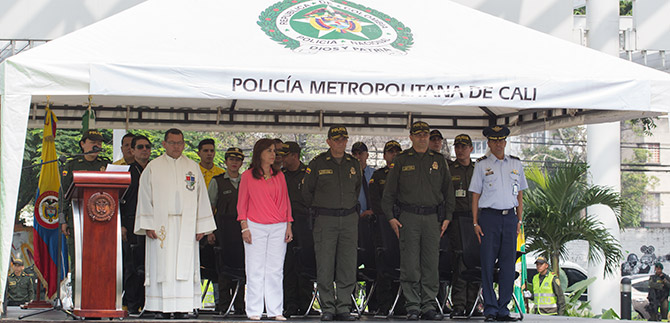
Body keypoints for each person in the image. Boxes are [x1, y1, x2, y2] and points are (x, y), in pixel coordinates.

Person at [134, 128, 216, 319]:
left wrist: (201, 226)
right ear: (164, 144)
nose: (176, 147)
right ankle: (161, 307)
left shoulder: (192, 167)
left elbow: (201, 197)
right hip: (161, 226)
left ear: (184, 144)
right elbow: (144, 196)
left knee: (185, 265)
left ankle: (183, 307)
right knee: (163, 266)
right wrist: (148, 223)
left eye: (180, 143)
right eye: (172, 143)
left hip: (186, 225)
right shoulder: (153, 167)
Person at [382, 121, 454, 321]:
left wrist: (448, 216)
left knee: (431, 263)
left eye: (425, 135)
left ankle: (429, 305)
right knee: (410, 264)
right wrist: (391, 218)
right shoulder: (402, 160)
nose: (422, 138)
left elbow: (449, 191)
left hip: (432, 218)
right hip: (409, 218)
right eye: (418, 134)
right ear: (411, 137)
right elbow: (388, 194)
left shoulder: (439, 161)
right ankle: (413, 305)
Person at [302, 125, 361, 321]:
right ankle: (327, 307)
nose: (340, 143)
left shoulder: (353, 163)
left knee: (347, 264)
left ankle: (343, 306)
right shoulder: (318, 163)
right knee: (325, 264)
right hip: (325, 219)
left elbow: (357, 188)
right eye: (336, 139)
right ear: (328, 142)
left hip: (349, 219)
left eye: (344, 139)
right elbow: (306, 192)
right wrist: (321, 208)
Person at [469, 125, 527, 322]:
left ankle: (503, 308)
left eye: (501, 140)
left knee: (508, 264)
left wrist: (519, 220)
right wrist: (475, 222)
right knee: (487, 263)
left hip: (509, 218)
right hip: (489, 218)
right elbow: (475, 196)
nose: (498, 144)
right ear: (489, 143)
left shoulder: (516, 164)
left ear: (505, 142)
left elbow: (519, 195)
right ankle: (490, 308)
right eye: (494, 141)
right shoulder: (481, 165)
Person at [237, 138, 293, 321]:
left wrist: (288, 225)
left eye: (274, 151)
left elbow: (286, 202)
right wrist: (244, 227)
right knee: (255, 268)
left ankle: (275, 310)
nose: (273, 154)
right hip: (255, 225)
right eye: (269, 150)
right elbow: (242, 204)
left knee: (275, 270)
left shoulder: (280, 176)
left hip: (278, 226)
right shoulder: (247, 176)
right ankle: (253, 309)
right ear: (259, 152)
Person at [60, 129, 109, 302]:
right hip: (77, 219)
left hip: (103, 222)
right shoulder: (72, 164)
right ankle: (79, 300)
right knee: (78, 262)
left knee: (101, 262)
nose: (97, 145)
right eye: (93, 141)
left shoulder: (105, 164)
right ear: (83, 144)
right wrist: (62, 219)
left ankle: (101, 299)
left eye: (100, 142)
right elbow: (63, 193)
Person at [208, 147, 246, 315]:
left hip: (242, 229)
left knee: (242, 269)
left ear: (241, 163)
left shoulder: (247, 181)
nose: (234, 163)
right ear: (226, 161)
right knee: (223, 269)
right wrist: (209, 231)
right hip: (222, 229)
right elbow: (209, 208)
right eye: (231, 159)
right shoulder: (217, 181)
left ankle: (240, 306)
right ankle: (223, 305)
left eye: (237, 160)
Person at [368, 140, 405, 315]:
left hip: (403, 224)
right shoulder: (378, 175)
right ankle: (384, 304)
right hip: (383, 226)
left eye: (397, 152)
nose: (394, 155)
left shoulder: (407, 174)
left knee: (404, 263)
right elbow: (375, 201)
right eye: (391, 152)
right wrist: (388, 216)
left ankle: (401, 305)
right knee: (383, 265)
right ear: (384, 156)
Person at [446, 134, 480, 317]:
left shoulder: (479, 168)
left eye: (464, 146)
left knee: (475, 261)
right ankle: (458, 304)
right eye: (457, 146)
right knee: (460, 261)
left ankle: (473, 303)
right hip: (457, 220)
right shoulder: (449, 169)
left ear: (471, 149)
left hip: (475, 220)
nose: (460, 150)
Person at [119, 135, 152, 314]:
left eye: (147, 146)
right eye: (140, 147)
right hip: (131, 223)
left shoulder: (156, 170)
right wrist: (122, 225)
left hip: (153, 224)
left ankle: (148, 302)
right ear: (132, 151)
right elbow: (118, 201)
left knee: (150, 266)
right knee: (132, 267)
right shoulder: (126, 172)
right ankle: (132, 304)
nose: (144, 150)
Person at [280, 141, 313, 317]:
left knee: (305, 263)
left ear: (295, 156)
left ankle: (306, 303)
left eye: (285, 155)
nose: (282, 158)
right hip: (284, 224)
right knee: (288, 265)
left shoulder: (308, 173)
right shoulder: (280, 175)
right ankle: (290, 303)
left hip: (305, 223)